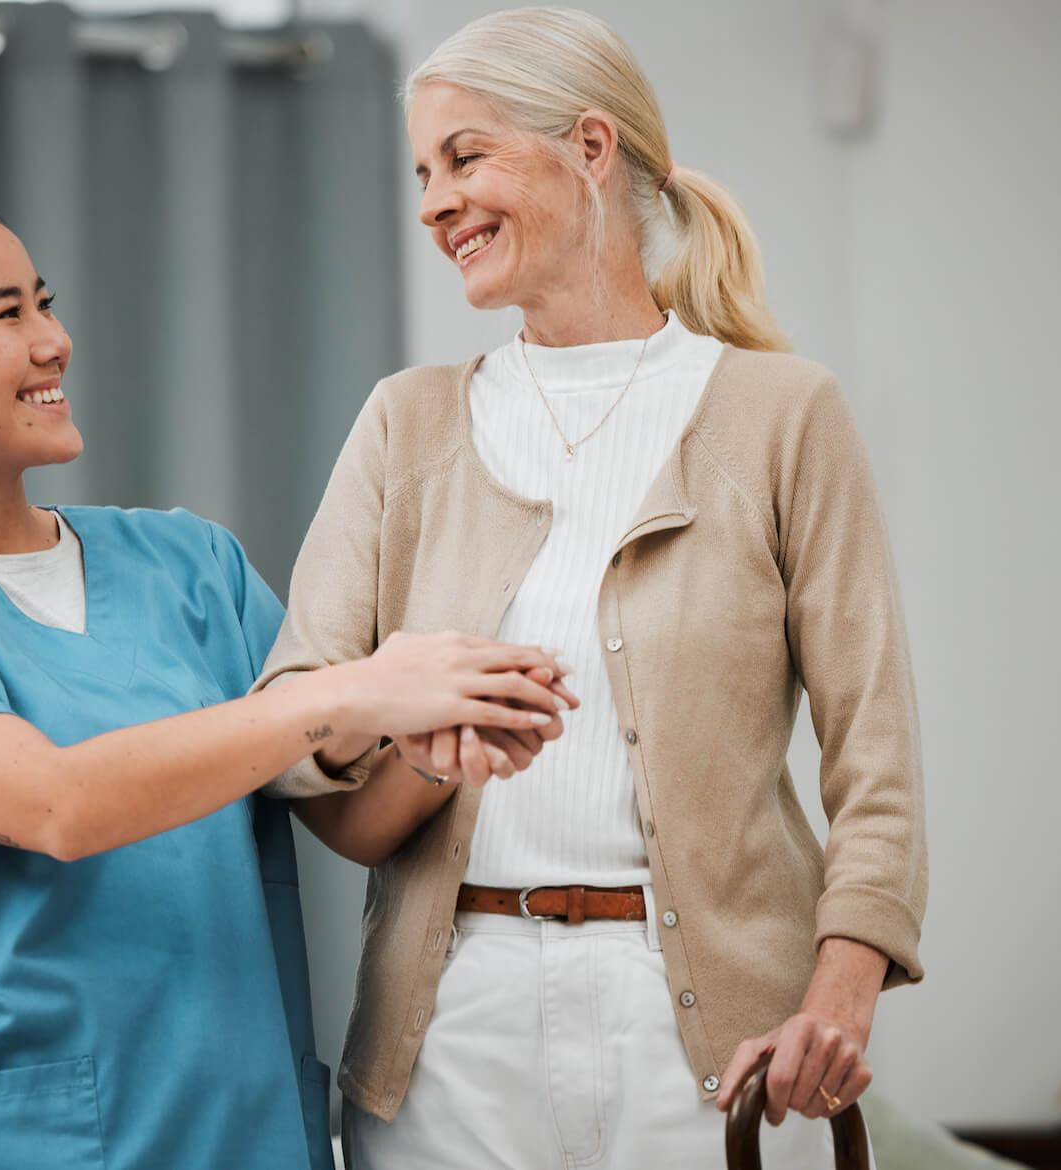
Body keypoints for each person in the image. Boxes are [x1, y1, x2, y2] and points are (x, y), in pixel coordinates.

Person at [0, 193, 572, 1170]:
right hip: (11, 1143)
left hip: (244, 1131)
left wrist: (457, 737)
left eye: (46, 303)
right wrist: (347, 692)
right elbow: (57, 805)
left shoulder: (192, 564)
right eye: (6, 314)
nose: (55, 341)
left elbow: (347, 820)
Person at [255, 9, 927, 1168]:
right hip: (450, 1035)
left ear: (590, 148)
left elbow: (877, 749)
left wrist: (845, 983)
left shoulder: (781, 415)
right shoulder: (402, 422)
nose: (432, 204)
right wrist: (417, 746)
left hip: (719, 1042)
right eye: (423, 173)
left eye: (465, 158)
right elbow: (298, 718)